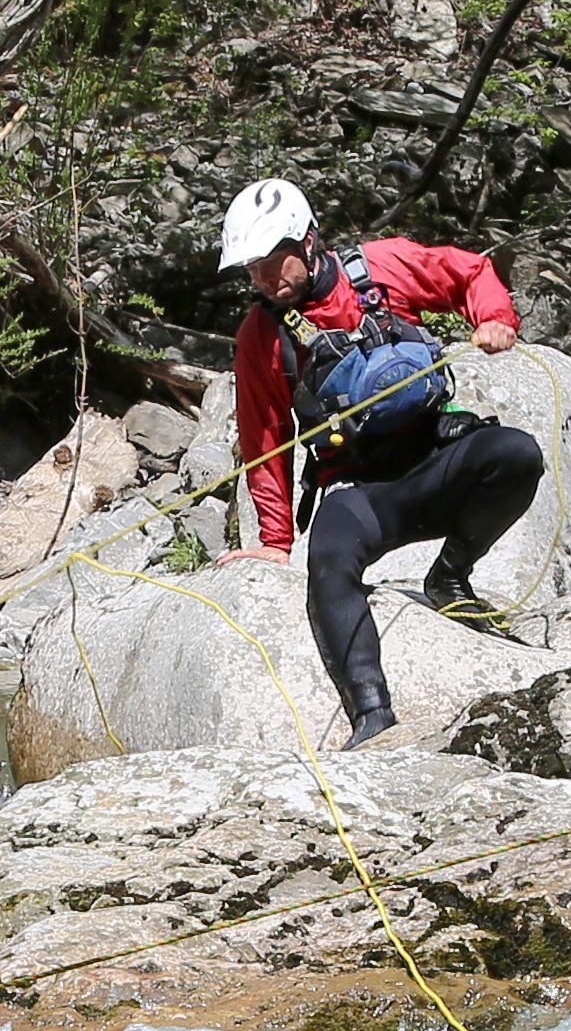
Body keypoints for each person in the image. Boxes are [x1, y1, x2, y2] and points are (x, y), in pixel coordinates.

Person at [215, 178, 546, 747]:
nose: (266, 278)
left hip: (437, 457)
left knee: (517, 454)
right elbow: (265, 439)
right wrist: (275, 540)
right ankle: (372, 717)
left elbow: (469, 272)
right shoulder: (261, 337)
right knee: (329, 564)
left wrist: (496, 318)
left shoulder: (379, 269)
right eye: (253, 268)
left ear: (309, 241)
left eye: (274, 260)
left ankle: (449, 578)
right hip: (362, 489)